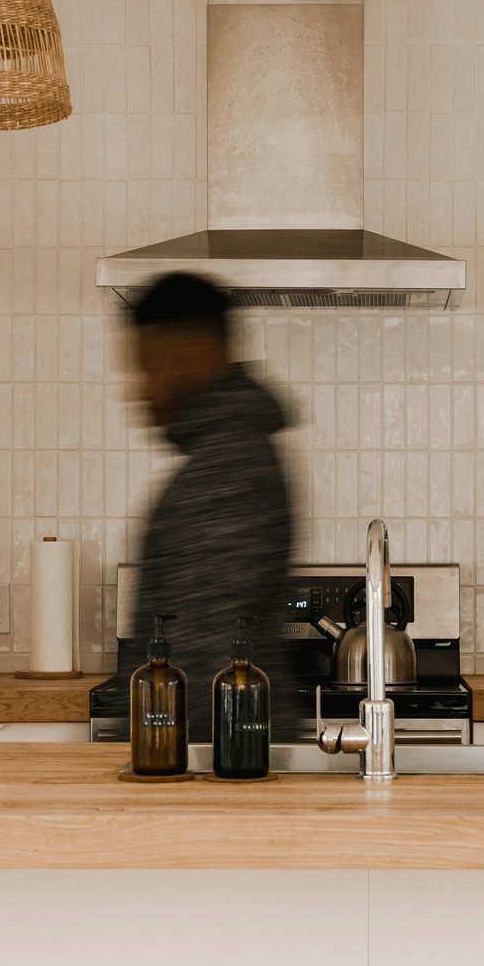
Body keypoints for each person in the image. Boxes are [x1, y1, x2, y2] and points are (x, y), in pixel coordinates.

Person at [125, 272, 297, 696]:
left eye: (148, 367)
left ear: (194, 355)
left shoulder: (226, 469)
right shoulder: (233, 452)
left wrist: (159, 758)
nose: (139, 392)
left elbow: (204, 658)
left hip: (212, 759)